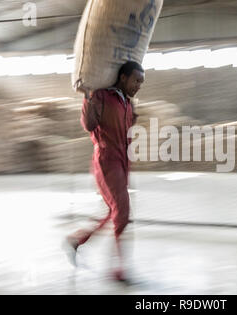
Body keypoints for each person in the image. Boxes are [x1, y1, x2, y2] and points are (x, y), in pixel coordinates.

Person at [65, 61, 144, 282]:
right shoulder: (102, 96)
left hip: (122, 162)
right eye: (136, 80)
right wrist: (87, 96)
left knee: (114, 212)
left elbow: (128, 130)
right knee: (123, 212)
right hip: (106, 161)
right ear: (123, 78)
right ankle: (119, 269)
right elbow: (89, 124)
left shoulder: (128, 103)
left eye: (141, 82)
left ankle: (77, 240)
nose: (139, 85)